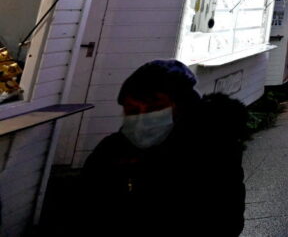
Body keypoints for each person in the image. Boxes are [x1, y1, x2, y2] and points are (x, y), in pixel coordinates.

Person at [81, 60, 246, 237]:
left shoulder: (211, 152)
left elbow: (225, 222)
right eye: (133, 110)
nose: (142, 118)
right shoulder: (109, 152)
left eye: (155, 107)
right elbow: (83, 212)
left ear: (182, 106)